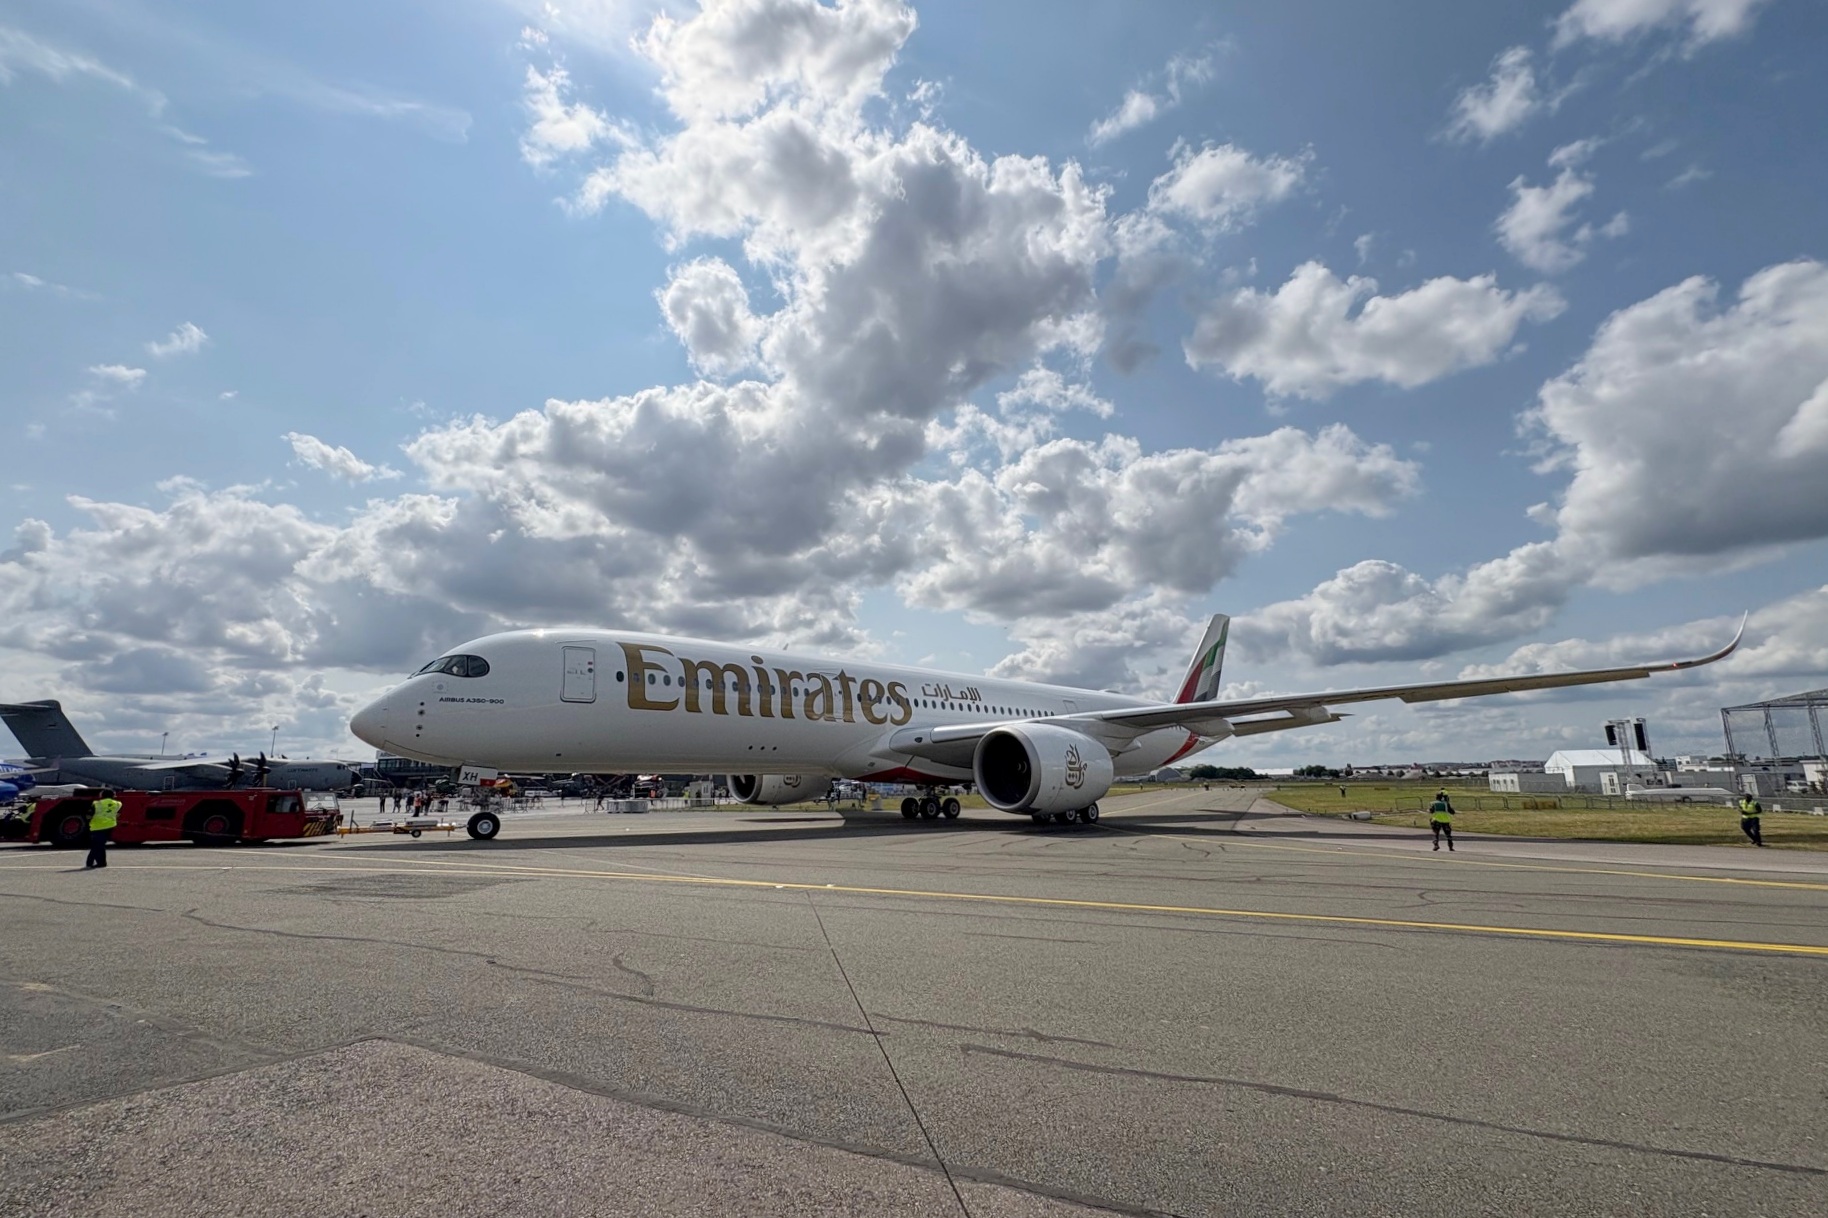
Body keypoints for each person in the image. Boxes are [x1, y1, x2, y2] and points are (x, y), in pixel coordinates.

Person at [86, 790, 122, 869]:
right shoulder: (118, 804)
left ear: (102, 795)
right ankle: (100, 862)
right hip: (110, 825)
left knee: (97, 845)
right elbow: (118, 814)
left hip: (97, 826)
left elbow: (89, 815)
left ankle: (91, 862)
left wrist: (88, 821)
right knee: (100, 845)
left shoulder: (97, 804)